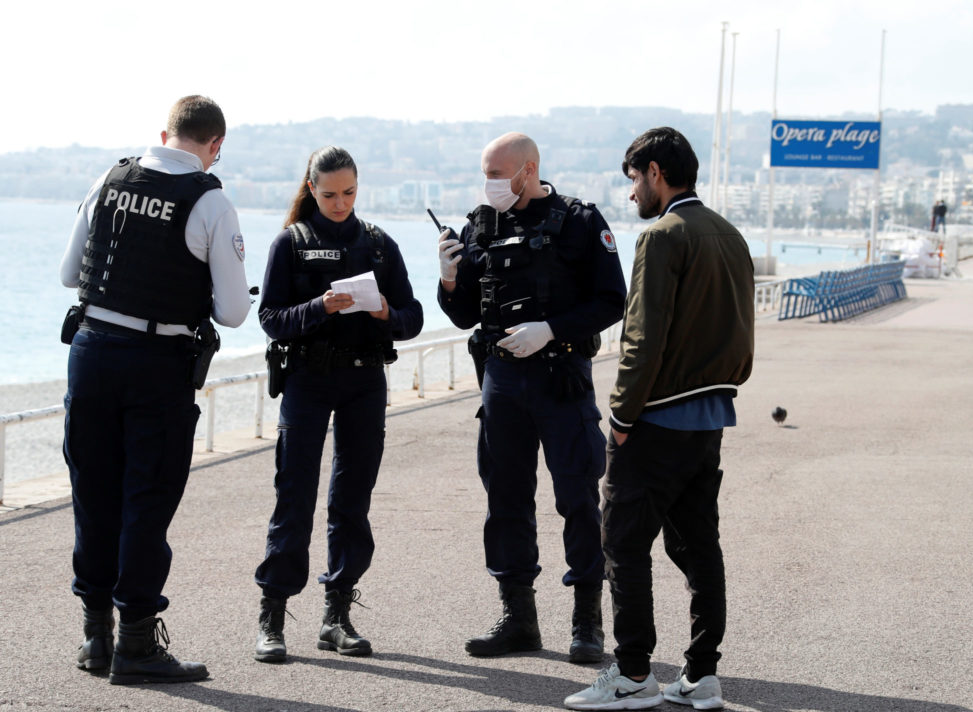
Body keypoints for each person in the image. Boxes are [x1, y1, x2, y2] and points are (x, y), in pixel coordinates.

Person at [58, 95, 251, 684]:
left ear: (164, 135)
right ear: (215, 145)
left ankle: (96, 637)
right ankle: (137, 644)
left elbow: (69, 274)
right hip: (157, 364)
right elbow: (233, 312)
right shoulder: (210, 201)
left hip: (90, 351)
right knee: (146, 501)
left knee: (93, 494)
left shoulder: (110, 179)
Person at [566, 127, 754, 710]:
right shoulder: (729, 233)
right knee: (699, 547)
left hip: (655, 420)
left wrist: (621, 415)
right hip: (710, 418)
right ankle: (701, 675)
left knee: (623, 545)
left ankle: (632, 675)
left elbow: (641, 337)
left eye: (633, 179)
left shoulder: (662, 235)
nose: (631, 193)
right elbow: (741, 331)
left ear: (655, 172)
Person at [437, 132, 626, 662]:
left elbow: (613, 300)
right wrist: (448, 280)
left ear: (529, 170)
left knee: (577, 498)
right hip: (502, 379)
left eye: (498, 175)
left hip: (560, 375)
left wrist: (552, 329)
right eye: (485, 175)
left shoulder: (580, 221)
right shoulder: (480, 226)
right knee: (506, 498)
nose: (490, 185)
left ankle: (587, 621)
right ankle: (518, 618)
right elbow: (465, 314)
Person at [253, 146, 423, 663]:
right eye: (329, 194)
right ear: (312, 189)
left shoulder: (379, 244)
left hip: (365, 380)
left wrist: (386, 314)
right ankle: (272, 615)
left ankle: (337, 615)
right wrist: (319, 307)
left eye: (349, 192)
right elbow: (270, 318)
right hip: (308, 379)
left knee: (352, 499)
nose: (340, 203)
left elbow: (413, 318)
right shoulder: (291, 242)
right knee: (294, 494)